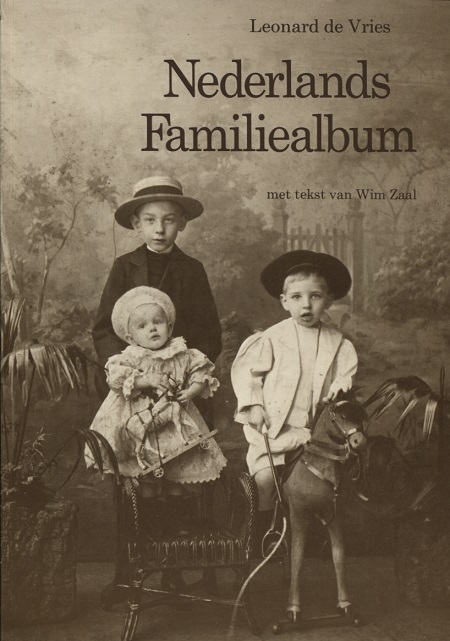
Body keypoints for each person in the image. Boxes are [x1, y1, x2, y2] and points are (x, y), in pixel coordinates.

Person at [231, 250, 358, 547]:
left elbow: (346, 374)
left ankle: (313, 539)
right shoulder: (272, 338)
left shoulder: (337, 342)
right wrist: (255, 405)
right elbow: (249, 375)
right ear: (284, 301)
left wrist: (339, 385)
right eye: (297, 297)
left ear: (328, 300)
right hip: (275, 431)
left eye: (315, 297)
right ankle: (262, 536)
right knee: (266, 481)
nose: (306, 305)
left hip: (315, 435)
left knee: (320, 483)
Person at [86, 286, 227, 533]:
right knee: (146, 476)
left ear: (169, 327)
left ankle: (177, 520)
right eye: (142, 326)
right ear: (130, 337)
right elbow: (116, 379)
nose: (152, 329)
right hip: (139, 416)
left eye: (158, 322)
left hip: (175, 420)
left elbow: (201, 373)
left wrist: (191, 392)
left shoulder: (182, 353)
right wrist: (146, 379)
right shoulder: (130, 357)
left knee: (176, 470)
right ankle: (152, 521)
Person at [92, 175, 222, 414]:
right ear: (136, 223)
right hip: (137, 382)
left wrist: (187, 373)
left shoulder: (192, 269)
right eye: (150, 220)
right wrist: (134, 374)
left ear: (182, 222)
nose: (159, 229)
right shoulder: (124, 267)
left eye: (169, 220)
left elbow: (209, 332)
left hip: (182, 383)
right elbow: (104, 330)